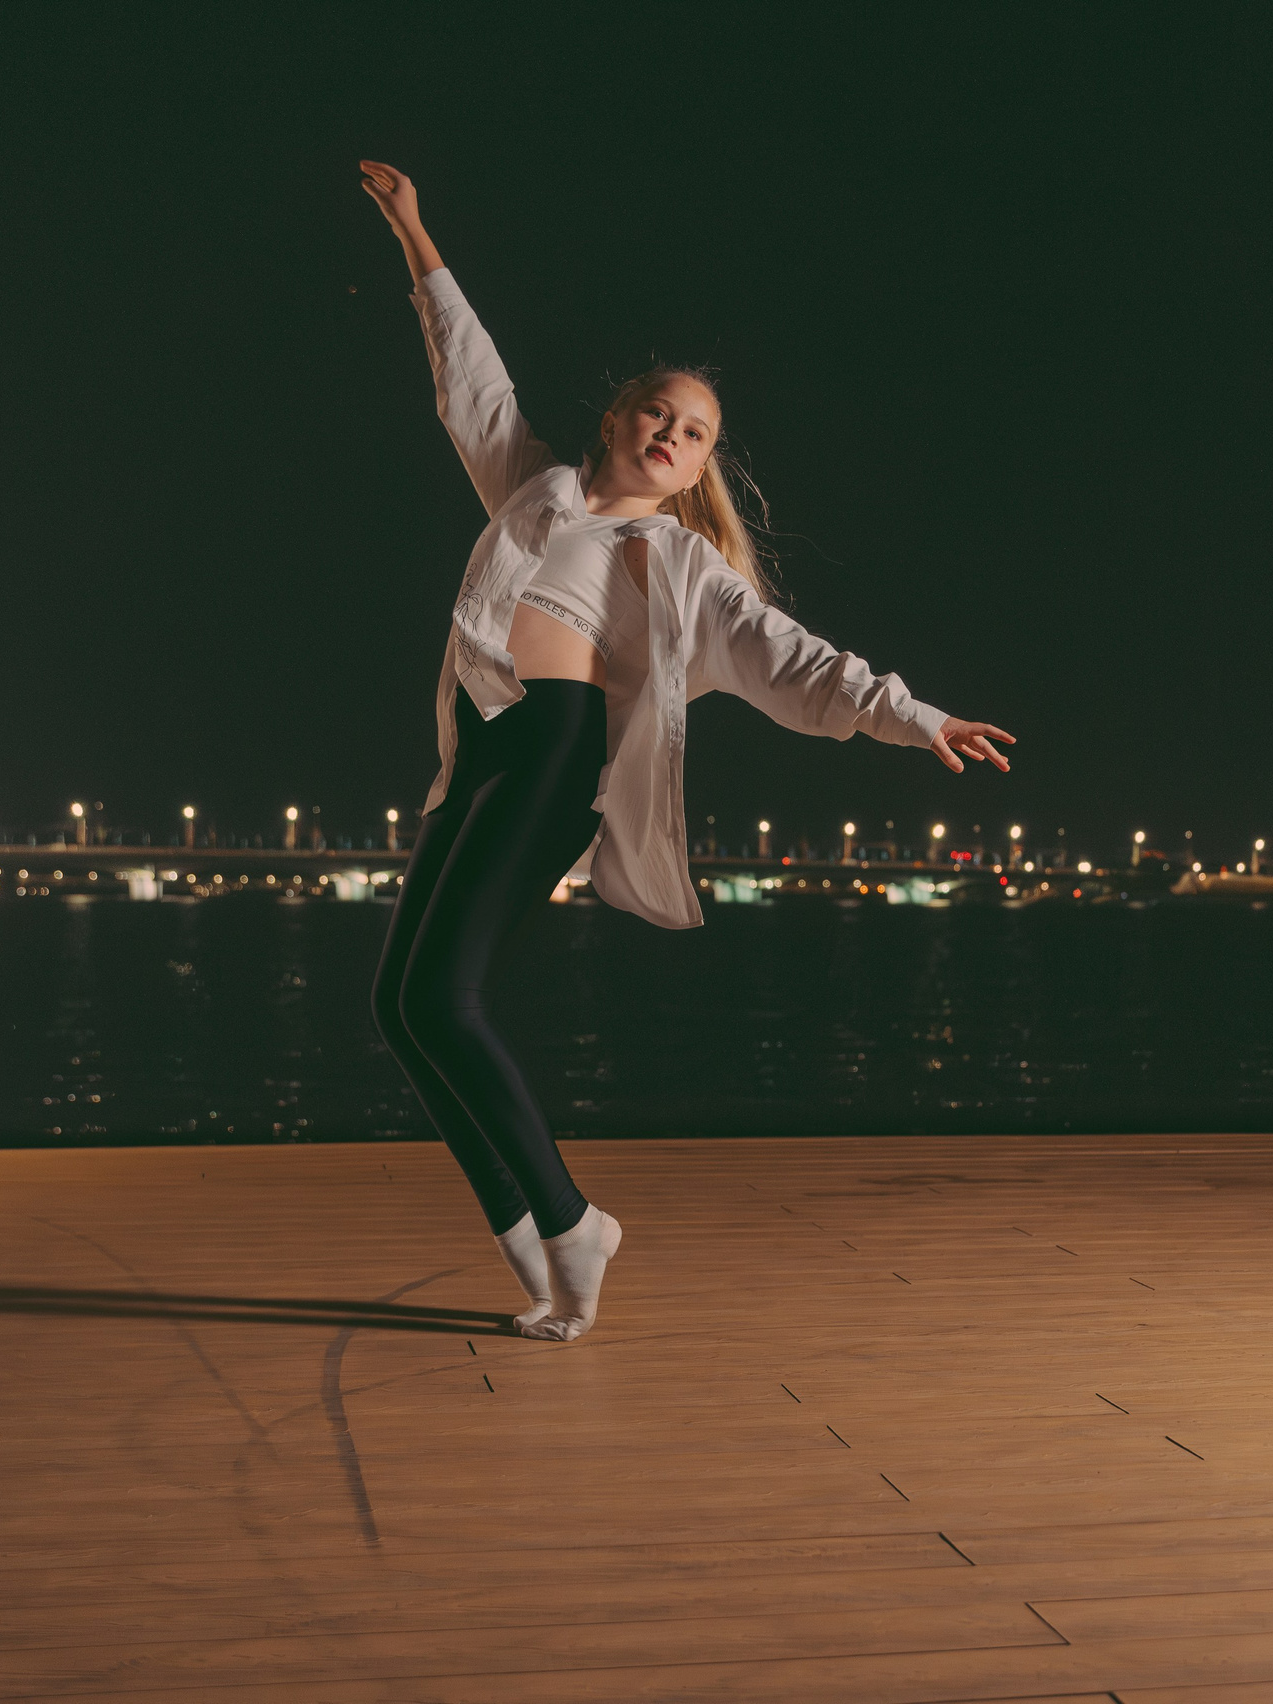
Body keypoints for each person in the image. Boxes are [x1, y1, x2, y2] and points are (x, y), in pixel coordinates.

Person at [358, 160, 1012, 1343]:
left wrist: (917, 717)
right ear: (616, 420)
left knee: (446, 999)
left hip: (557, 758)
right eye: (657, 411)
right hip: (484, 753)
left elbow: (799, 661)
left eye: (695, 430)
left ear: (702, 468)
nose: (671, 431)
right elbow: (472, 383)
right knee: (400, 1006)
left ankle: (574, 1225)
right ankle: (529, 1239)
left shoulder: (684, 570)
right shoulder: (532, 491)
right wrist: (416, 235)